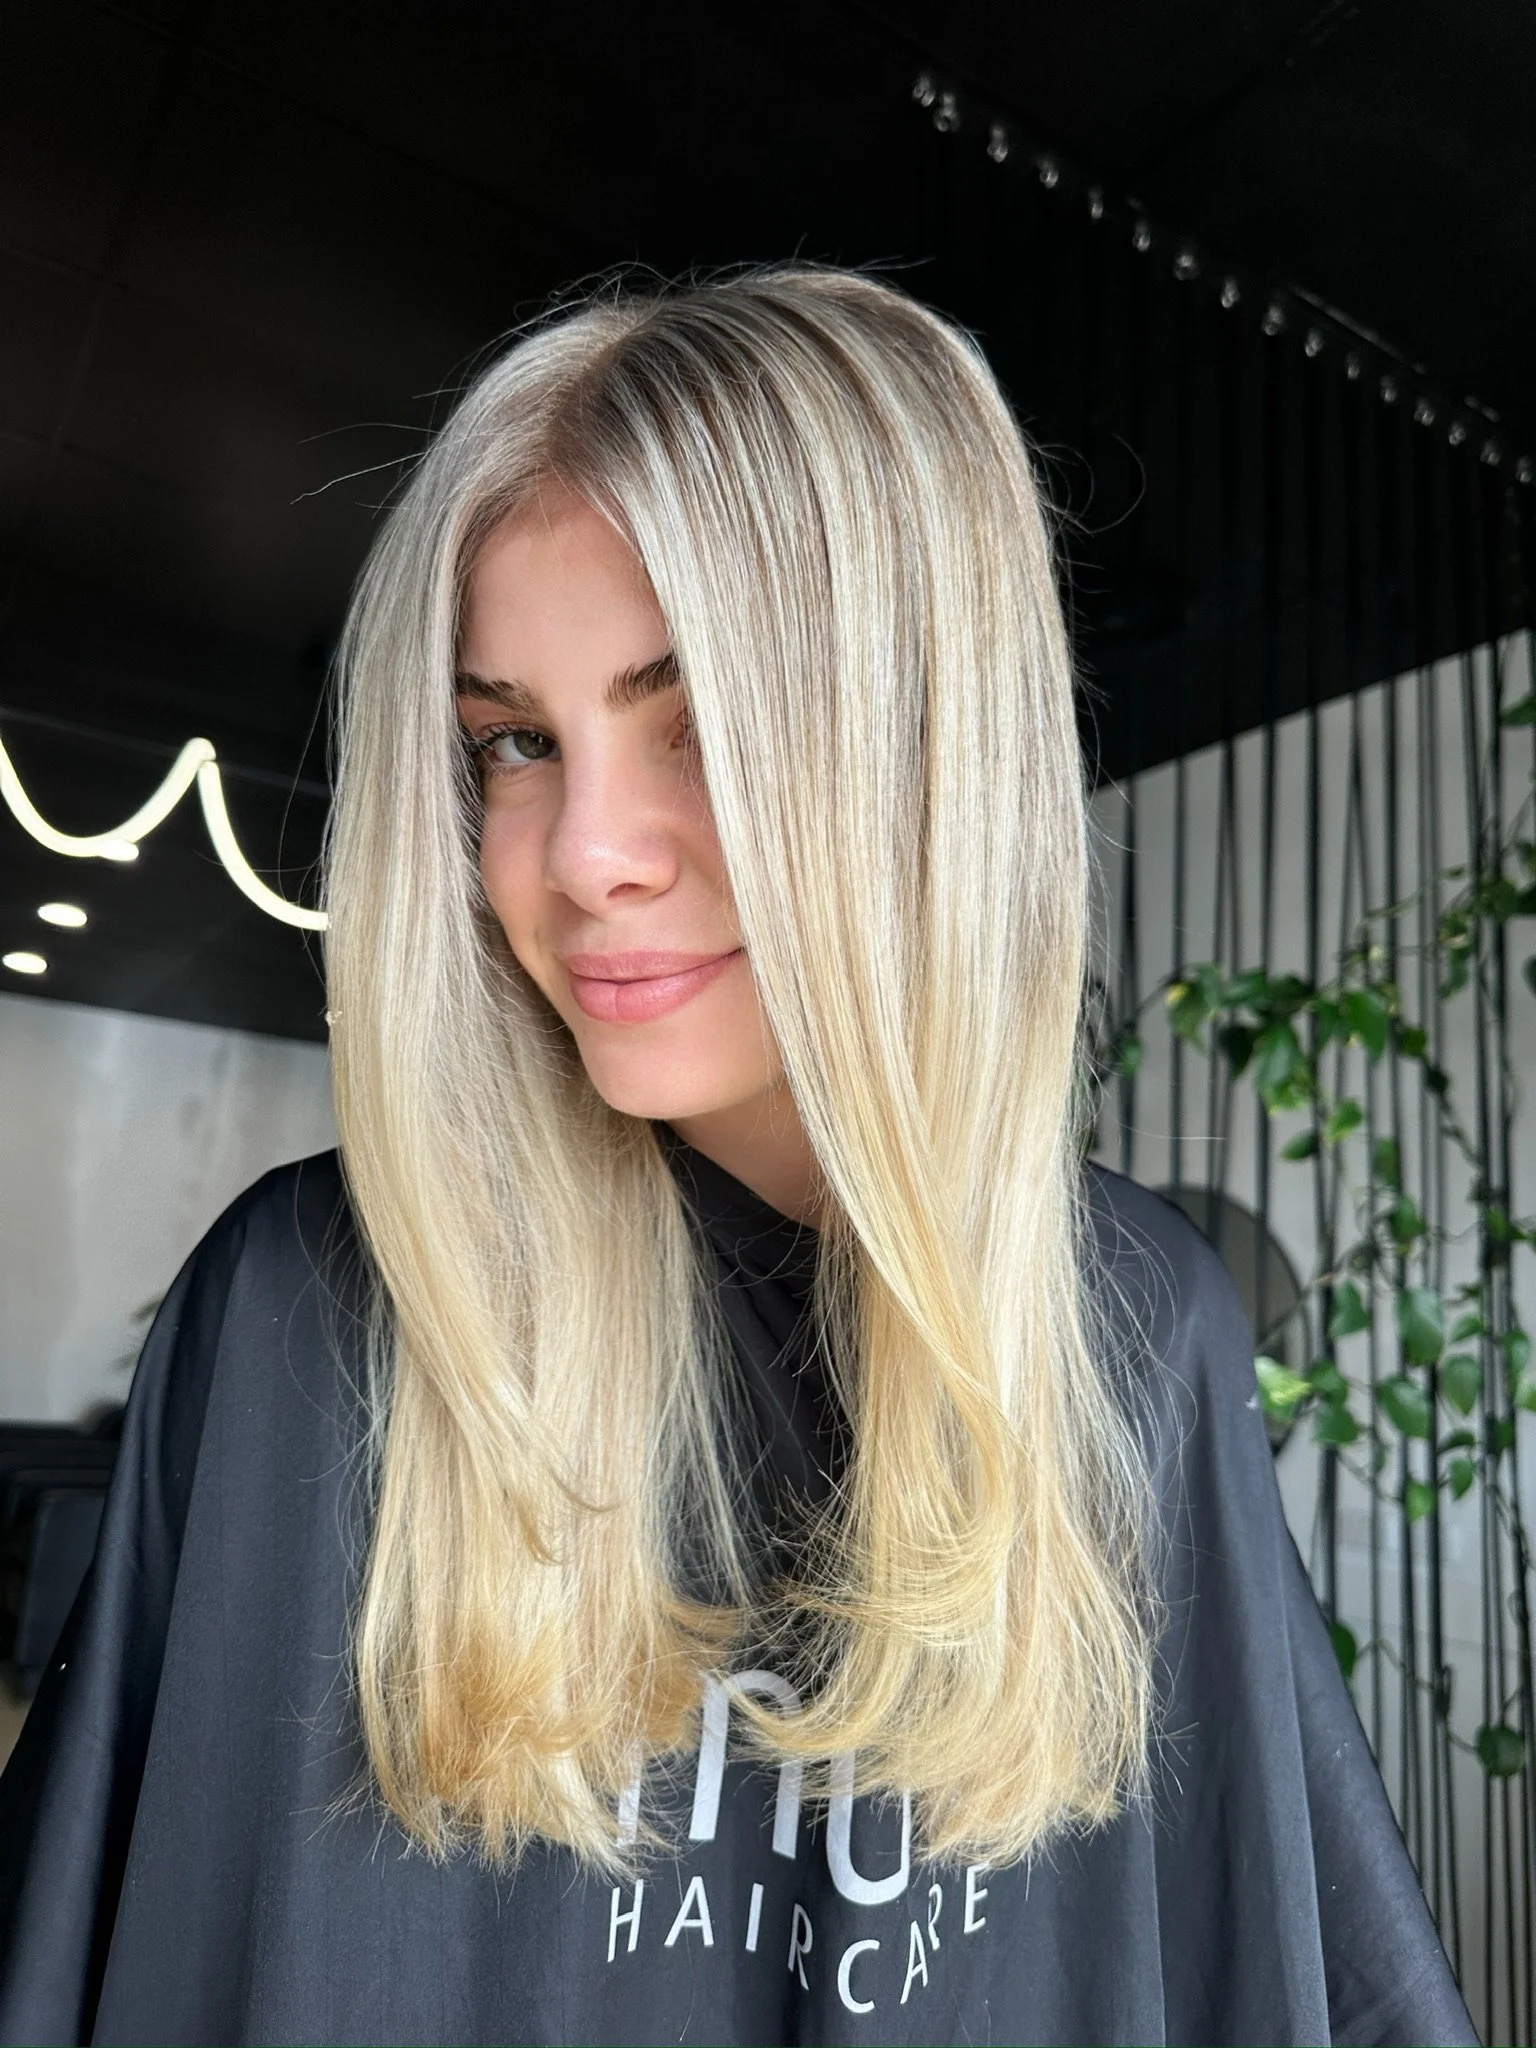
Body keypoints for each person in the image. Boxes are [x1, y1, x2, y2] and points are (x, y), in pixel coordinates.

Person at [0, 264, 1477, 2047]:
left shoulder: (1131, 1328)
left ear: (926, 758)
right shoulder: (303, 1313)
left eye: (698, 722)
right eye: (517, 743)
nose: (584, 855)